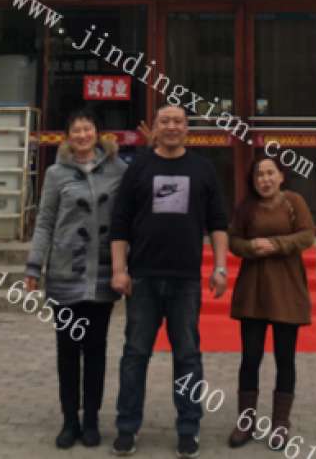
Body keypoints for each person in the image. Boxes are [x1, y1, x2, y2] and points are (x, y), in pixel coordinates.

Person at [109, 103, 229, 459]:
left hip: (186, 279)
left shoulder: (203, 169)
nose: (172, 126)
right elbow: (120, 223)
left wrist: (220, 268)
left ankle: (188, 428)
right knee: (135, 355)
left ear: (187, 128)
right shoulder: (138, 168)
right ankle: (127, 427)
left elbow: (218, 224)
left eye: (178, 121)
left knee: (188, 356)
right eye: (165, 121)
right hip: (143, 277)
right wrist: (119, 269)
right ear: (155, 127)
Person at [25, 109, 128, 449]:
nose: (83, 135)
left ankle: (92, 420)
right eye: (76, 130)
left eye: (88, 129)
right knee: (67, 351)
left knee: (96, 350)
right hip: (65, 274)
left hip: (102, 275)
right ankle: (70, 420)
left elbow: (131, 209)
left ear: (97, 133)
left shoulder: (117, 168)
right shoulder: (56, 173)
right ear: (68, 137)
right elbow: (45, 222)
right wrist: (33, 266)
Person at [227, 154, 315, 451]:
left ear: (281, 176)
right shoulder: (246, 207)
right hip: (253, 291)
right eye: (259, 175)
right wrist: (250, 247)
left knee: (284, 358)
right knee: (250, 358)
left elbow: (307, 235)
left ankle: (280, 423)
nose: (264, 179)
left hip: (286, 289)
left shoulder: (294, 202)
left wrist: (276, 245)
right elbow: (233, 240)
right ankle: (246, 421)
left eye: (269, 173)